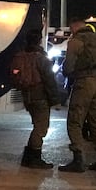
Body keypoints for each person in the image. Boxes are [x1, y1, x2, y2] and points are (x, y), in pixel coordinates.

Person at [58, 19, 96, 173]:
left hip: (83, 82)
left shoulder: (76, 41)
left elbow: (68, 67)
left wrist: (68, 73)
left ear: (75, 26)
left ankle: (78, 160)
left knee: (75, 120)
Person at [10, 34, 62, 168]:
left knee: (36, 126)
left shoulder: (20, 57)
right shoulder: (41, 59)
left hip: (27, 96)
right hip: (40, 96)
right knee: (41, 128)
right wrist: (55, 100)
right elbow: (49, 80)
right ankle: (34, 158)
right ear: (39, 42)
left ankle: (27, 158)